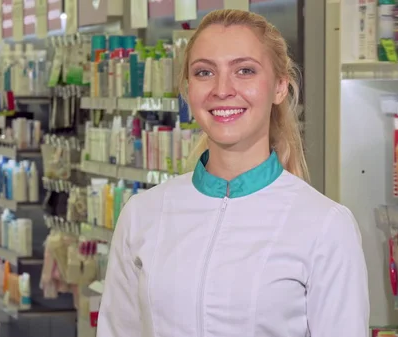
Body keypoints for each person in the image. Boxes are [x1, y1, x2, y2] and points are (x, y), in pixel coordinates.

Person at [97, 9, 369, 337]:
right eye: (204, 72)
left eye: (244, 70)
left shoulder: (325, 226)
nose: (222, 89)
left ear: (280, 86)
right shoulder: (143, 215)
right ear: (188, 90)